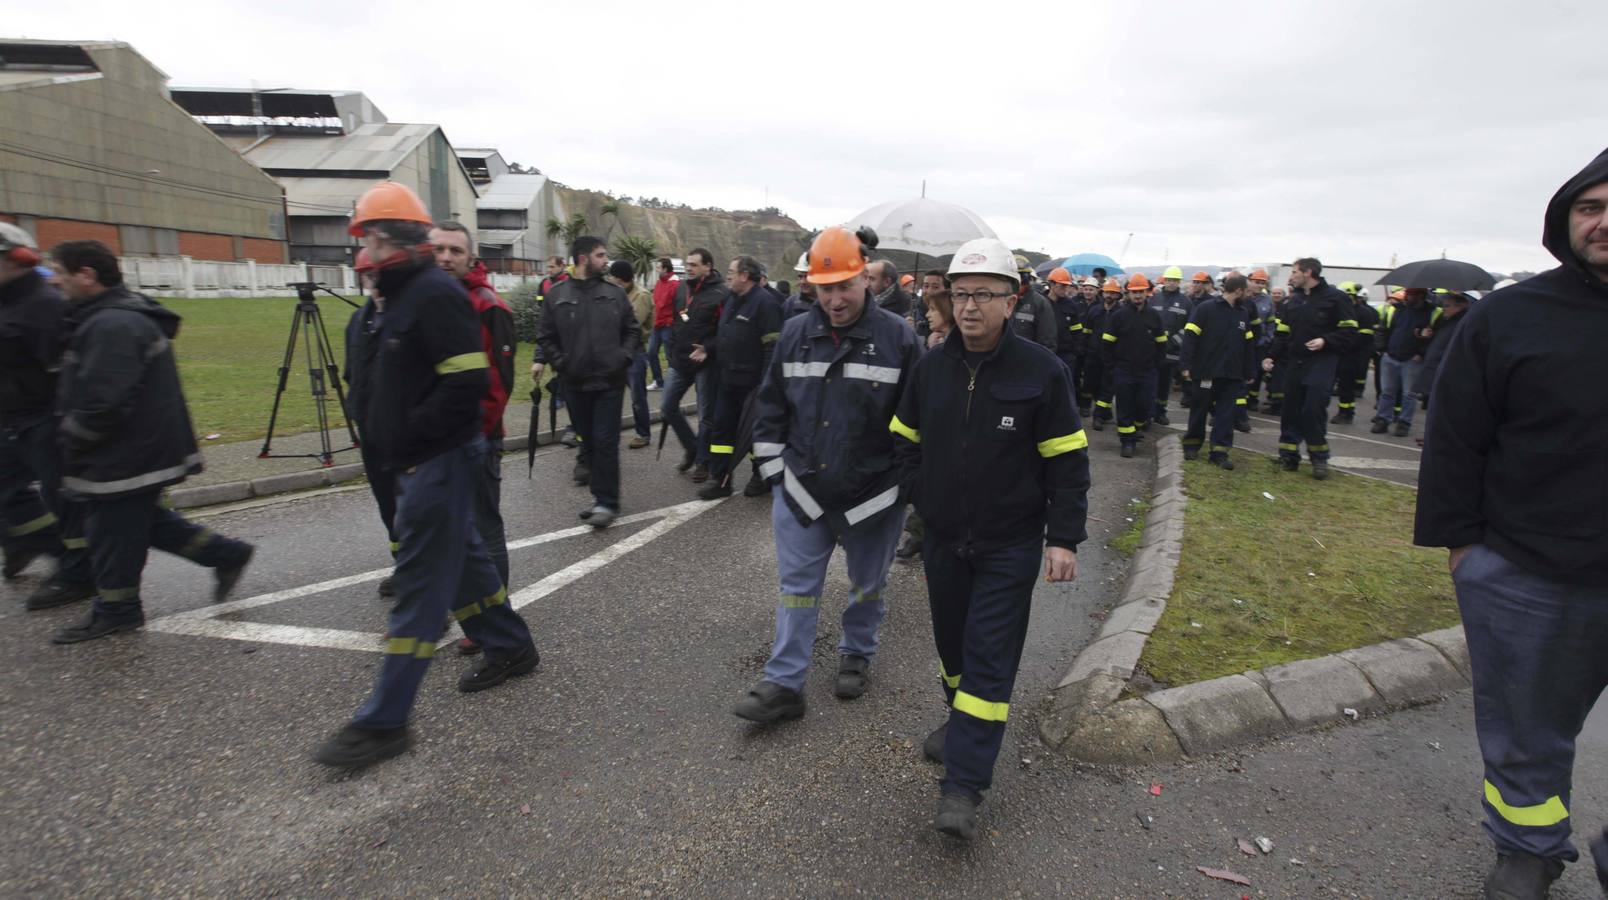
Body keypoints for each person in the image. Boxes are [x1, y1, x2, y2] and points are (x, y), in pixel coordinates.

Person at [1415, 146, 1608, 900]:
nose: (1602, 222)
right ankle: (1527, 849)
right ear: (1565, 221)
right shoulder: (1512, 315)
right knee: (1527, 731)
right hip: (1529, 572)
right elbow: (1458, 435)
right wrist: (1467, 550)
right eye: (1589, 208)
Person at [316, 181, 537, 767]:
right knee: (465, 567)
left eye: (374, 239)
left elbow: (466, 387)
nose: (365, 252)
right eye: (364, 240)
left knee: (417, 589)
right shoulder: (389, 299)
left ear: (399, 241)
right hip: (416, 461)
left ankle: (384, 722)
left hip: (439, 461)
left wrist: (412, 443)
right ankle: (512, 646)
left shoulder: (434, 296)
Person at [891, 236, 1088, 840]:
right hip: (947, 542)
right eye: (961, 293)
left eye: (984, 294)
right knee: (953, 650)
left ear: (1012, 300)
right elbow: (903, 438)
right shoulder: (932, 367)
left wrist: (1064, 538)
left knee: (988, 658)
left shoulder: (1042, 371)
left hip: (1010, 545)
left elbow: (1067, 459)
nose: (970, 306)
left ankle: (965, 785)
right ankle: (958, 722)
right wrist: (923, 495)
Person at [733, 226, 921, 724]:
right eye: (825, 288)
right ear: (811, 286)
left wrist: (904, 484)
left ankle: (857, 651)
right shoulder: (796, 332)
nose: (835, 299)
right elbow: (771, 405)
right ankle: (784, 683)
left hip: (873, 494)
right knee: (796, 586)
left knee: (867, 583)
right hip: (802, 488)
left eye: (845, 287)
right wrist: (773, 469)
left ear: (866, 280)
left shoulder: (899, 338)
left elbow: (915, 421)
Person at [43, 240, 255, 644]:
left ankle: (118, 609)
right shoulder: (110, 317)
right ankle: (226, 554)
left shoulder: (113, 324)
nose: (54, 280)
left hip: (124, 454)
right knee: (144, 523)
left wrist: (73, 439)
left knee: (112, 533)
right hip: (135, 448)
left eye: (60, 272)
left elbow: (104, 400)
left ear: (87, 275)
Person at [0, 223, 95, 608]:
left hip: (45, 420)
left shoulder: (43, 305)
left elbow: (64, 372)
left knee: (65, 502)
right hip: (12, 420)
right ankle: (31, 541)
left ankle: (79, 572)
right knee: (6, 492)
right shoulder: (7, 301)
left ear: (17, 258)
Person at [536, 237, 641, 529]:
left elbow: (632, 331)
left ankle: (608, 502)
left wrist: (623, 357)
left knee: (606, 441)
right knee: (589, 442)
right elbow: (545, 335)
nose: (606, 260)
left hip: (609, 381)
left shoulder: (614, 294)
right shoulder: (557, 295)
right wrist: (561, 362)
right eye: (600, 255)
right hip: (575, 382)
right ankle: (599, 498)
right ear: (583, 258)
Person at [1264, 258, 1357, 479]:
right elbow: (1282, 333)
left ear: (1308, 272)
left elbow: (1350, 331)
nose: (1291, 277)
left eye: (1295, 272)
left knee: (1313, 409)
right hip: (1295, 362)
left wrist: (1326, 341)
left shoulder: (1336, 299)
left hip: (1322, 362)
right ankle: (1288, 454)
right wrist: (1271, 356)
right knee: (1291, 409)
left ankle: (1319, 458)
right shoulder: (1292, 302)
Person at [698, 256, 783, 500]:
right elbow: (726, 335)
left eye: (731, 272)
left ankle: (761, 476)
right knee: (722, 431)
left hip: (753, 384)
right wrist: (709, 349)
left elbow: (772, 347)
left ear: (745, 275)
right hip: (727, 380)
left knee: (756, 435)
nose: (728, 276)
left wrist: (765, 385)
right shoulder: (731, 300)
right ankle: (720, 479)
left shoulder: (765, 304)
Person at [894, 286, 953, 563]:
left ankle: (919, 535)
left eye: (933, 309)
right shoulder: (933, 349)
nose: (928, 314)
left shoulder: (948, 355)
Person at [1179, 272, 1257, 469]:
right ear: (1238, 290)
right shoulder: (1206, 308)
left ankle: (1219, 452)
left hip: (1232, 375)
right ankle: (1192, 446)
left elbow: (1248, 344)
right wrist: (1186, 365)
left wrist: (1249, 371)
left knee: (1226, 414)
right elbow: (1190, 337)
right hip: (1206, 372)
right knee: (1200, 410)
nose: (1249, 294)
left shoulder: (1242, 313)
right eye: (1246, 290)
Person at [663, 248, 727, 484]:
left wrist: (708, 348)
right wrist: (670, 349)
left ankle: (703, 461)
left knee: (705, 415)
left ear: (707, 266)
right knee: (667, 406)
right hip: (679, 360)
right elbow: (675, 319)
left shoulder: (722, 293)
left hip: (706, 363)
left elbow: (726, 331)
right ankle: (692, 447)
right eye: (687, 264)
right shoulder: (682, 288)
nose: (688, 268)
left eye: (693, 264)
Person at [1100, 273, 1166, 458]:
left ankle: (1135, 428)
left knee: (1144, 406)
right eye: (1134, 292)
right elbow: (1106, 344)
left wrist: (1156, 366)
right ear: (1128, 293)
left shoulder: (1154, 316)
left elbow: (1162, 343)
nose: (1137, 296)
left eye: (1141, 292)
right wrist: (1112, 368)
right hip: (1124, 370)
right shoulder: (1119, 316)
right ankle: (1127, 441)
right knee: (1124, 406)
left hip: (1147, 371)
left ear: (1147, 292)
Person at [1370, 287, 1439, 437]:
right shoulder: (1397, 310)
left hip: (1412, 359)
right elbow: (1384, 329)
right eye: (1407, 294)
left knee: (1409, 394)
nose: (1407, 297)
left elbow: (1436, 338)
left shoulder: (1432, 313)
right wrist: (1383, 349)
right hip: (1391, 355)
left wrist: (1421, 352)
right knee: (1387, 392)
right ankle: (1382, 420)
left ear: (1421, 296)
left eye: (1411, 294)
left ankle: (1404, 423)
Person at [609, 260, 656, 450]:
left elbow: (632, 325)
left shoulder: (641, 296)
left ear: (622, 280)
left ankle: (643, 433)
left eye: (613, 278)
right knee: (612, 395)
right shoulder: (617, 294)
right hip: (615, 351)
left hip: (635, 352)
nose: (611, 281)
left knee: (637, 396)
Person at [534, 256, 575, 447]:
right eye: (547, 266)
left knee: (565, 379)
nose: (548, 269)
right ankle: (560, 398)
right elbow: (542, 308)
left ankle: (575, 427)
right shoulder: (544, 283)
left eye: (552, 266)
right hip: (553, 337)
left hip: (568, 343)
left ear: (562, 267)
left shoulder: (569, 284)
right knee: (557, 372)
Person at [1409, 289, 1469, 414]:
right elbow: (1435, 342)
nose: (1443, 309)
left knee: (1443, 411)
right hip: (1434, 371)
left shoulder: (1462, 325)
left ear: (1459, 307)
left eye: (1447, 306)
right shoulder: (1445, 321)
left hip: (1445, 375)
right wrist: (1426, 336)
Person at [1149, 267, 1196, 425]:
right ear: (1164, 280)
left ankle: (1160, 412)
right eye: (1169, 280)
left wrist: (1174, 341)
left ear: (1179, 282)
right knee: (1150, 383)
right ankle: (1148, 412)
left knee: (1164, 384)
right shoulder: (1154, 299)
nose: (1171, 283)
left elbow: (1189, 327)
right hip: (1153, 349)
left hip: (1171, 352)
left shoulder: (1186, 302)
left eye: (1174, 280)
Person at [1329, 282, 1379, 425]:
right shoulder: (1341, 311)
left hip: (1352, 355)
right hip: (1340, 353)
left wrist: (1343, 344)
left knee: (1346, 386)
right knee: (1339, 385)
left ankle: (1346, 413)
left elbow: (1364, 336)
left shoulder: (1364, 313)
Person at [1082, 278, 1123, 428]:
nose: (1109, 296)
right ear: (1102, 293)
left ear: (1118, 296)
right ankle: (1102, 412)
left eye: (1113, 293)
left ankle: (1098, 416)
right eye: (1107, 292)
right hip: (1093, 354)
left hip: (1112, 357)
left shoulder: (1121, 313)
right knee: (1091, 384)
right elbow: (1086, 332)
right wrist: (1084, 350)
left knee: (1107, 387)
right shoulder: (1094, 311)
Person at [1046, 267, 1085, 391]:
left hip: (1066, 355)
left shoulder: (1070, 305)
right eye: (1061, 286)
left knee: (1064, 388)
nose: (1065, 289)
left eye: (1067, 286)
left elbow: (1077, 330)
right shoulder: (1040, 302)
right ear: (1051, 284)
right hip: (1045, 352)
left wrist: (1075, 351)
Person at [1009, 256, 1059, 351]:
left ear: (1028, 278)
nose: (1019, 283)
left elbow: (1047, 343)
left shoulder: (1040, 303)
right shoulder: (1001, 299)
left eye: (1022, 277)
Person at [647, 257, 679, 390]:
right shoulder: (659, 283)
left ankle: (674, 382)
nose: (657, 269)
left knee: (669, 355)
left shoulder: (675, 284)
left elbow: (680, 306)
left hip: (667, 325)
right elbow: (655, 302)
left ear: (665, 269)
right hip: (657, 324)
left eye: (659, 267)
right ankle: (658, 381)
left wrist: (672, 321)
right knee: (651, 352)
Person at [1263, 285, 1289, 413]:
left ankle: (1278, 405)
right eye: (1274, 293)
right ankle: (1273, 399)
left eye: (1279, 293)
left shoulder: (1285, 308)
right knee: (1270, 377)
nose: (1276, 295)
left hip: (1281, 347)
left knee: (1279, 378)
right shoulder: (1268, 306)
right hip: (1270, 345)